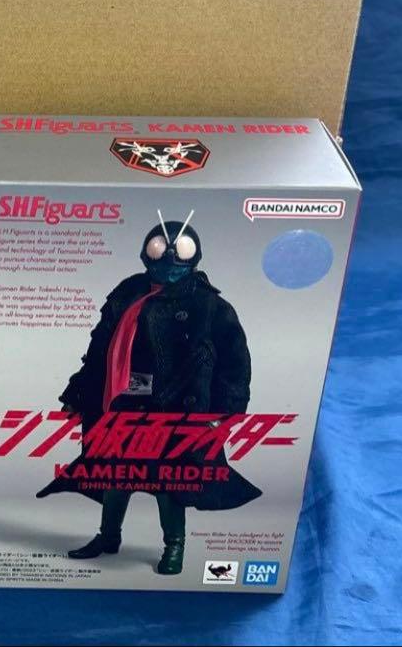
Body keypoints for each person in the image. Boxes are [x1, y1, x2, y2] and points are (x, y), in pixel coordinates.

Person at [41, 212, 256, 576]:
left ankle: (175, 545)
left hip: (175, 407)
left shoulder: (209, 306)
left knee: (168, 480)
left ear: (193, 255)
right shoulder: (129, 292)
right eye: (160, 249)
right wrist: (79, 391)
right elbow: (99, 348)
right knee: (115, 471)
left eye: (179, 250)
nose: (169, 257)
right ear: (147, 252)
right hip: (123, 400)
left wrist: (224, 413)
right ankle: (109, 536)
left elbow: (235, 364)